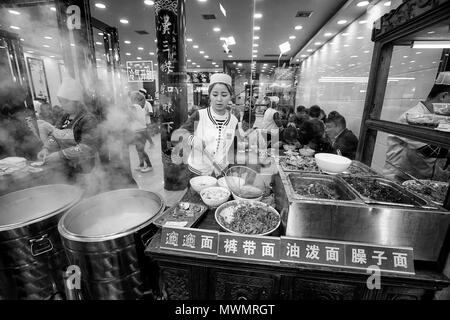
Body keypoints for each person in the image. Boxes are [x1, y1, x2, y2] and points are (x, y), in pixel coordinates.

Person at [36, 77, 101, 194]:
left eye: (66, 102)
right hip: (66, 170)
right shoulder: (64, 117)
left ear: (76, 101)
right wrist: (46, 148)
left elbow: (86, 147)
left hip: (84, 171)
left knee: (85, 199)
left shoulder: (88, 119)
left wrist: (59, 155)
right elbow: (54, 136)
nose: (62, 106)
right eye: (61, 102)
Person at [384, 72, 450, 182]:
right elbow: (431, 150)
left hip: (424, 183)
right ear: (443, 96)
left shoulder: (441, 119)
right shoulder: (413, 117)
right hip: (399, 182)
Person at [174, 73, 239, 177]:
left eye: (224, 95)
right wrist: (192, 139)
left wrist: (233, 169)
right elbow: (180, 134)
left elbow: (233, 147)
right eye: (215, 94)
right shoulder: (200, 115)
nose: (219, 99)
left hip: (221, 171)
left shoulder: (234, 121)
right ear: (209, 95)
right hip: (197, 171)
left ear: (230, 96)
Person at [129, 91, 153, 173]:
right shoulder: (139, 107)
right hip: (140, 131)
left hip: (140, 132)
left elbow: (132, 115)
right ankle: (141, 164)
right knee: (139, 149)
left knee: (141, 150)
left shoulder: (135, 106)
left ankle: (149, 165)